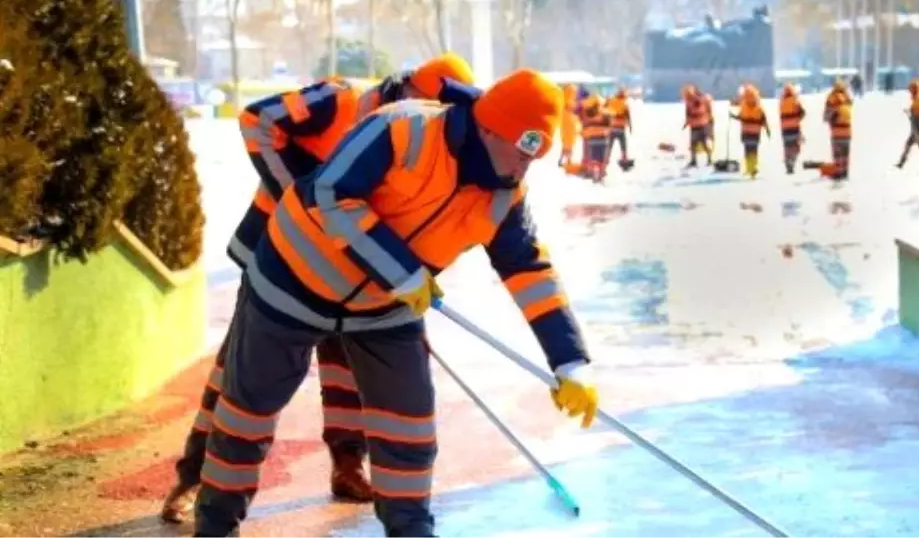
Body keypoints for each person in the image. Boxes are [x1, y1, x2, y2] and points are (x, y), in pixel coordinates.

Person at [192, 68, 599, 538]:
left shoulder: (505, 194)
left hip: (385, 307)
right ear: (490, 127)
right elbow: (330, 192)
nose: (529, 163)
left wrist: (571, 361)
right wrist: (400, 269)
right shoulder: (402, 128)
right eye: (526, 146)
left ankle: (412, 532)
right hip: (291, 280)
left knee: (409, 429)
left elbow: (527, 268)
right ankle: (216, 527)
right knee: (247, 415)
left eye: (540, 151)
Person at [161, 55, 477, 524]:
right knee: (240, 380)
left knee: (346, 373)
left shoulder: (427, 144)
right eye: (421, 104)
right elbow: (258, 121)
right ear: (403, 87)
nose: (428, 121)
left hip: (356, 273)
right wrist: (299, 195)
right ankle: (193, 477)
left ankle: (348, 466)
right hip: (282, 262)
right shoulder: (338, 99)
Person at [729, 84, 770, 178]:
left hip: (746, 132)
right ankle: (754, 167)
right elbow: (764, 120)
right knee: (754, 150)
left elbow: (740, 117)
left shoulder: (744, 106)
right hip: (756, 133)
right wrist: (768, 130)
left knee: (747, 150)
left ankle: (749, 168)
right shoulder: (759, 108)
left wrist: (732, 116)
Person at [777, 83, 806, 174]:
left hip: (785, 129)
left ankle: (788, 162)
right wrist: (797, 119)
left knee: (787, 147)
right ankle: (792, 160)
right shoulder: (795, 101)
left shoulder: (781, 102)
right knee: (796, 147)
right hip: (795, 128)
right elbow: (802, 113)